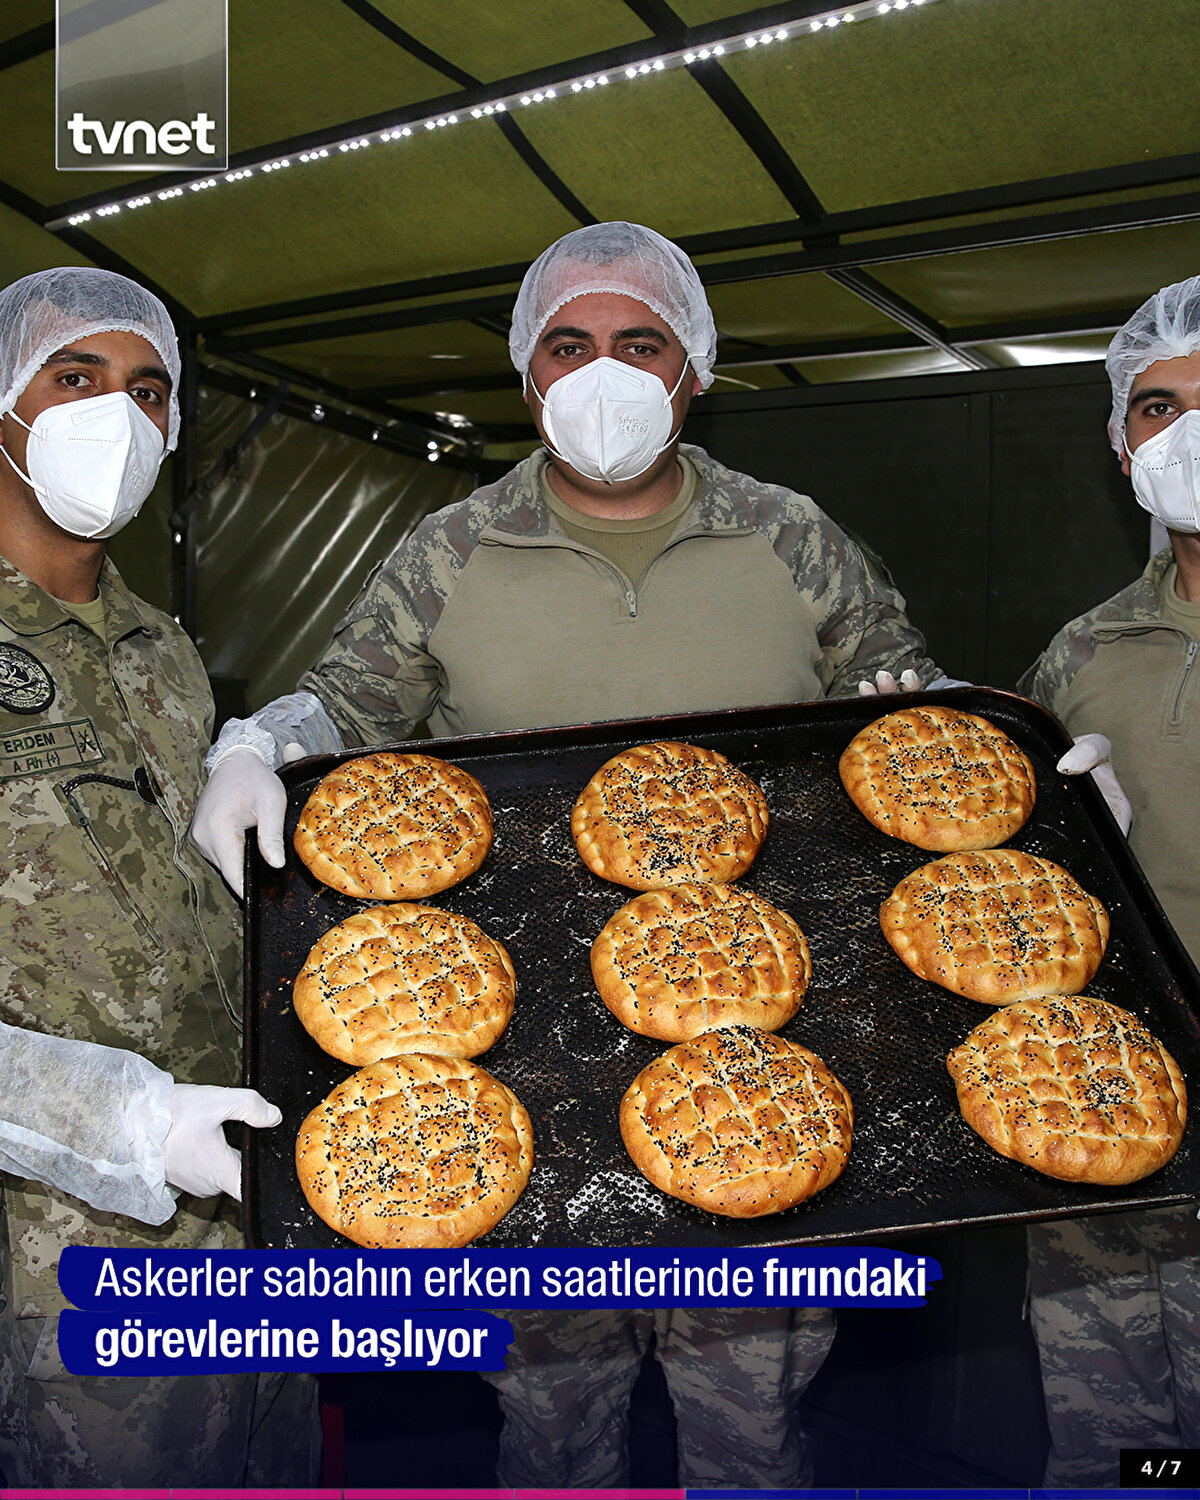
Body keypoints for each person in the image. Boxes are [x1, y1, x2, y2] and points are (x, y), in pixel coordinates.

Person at [191, 220, 948, 1488]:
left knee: (750, 1421)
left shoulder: (788, 533)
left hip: (756, 1033)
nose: (604, 375)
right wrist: (259, 744)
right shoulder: (452, 546)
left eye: (639, 344)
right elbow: (349, 703)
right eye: (570, 345)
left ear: (693, 370)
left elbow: (899, 691)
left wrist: (995, 735)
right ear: (529, 374)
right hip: (503, 1024)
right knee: (551, 1427)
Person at [0, 267, 317, 1488]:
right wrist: (124, 1123)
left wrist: (256, 739)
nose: (115, 418)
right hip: (60, 1256)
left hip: (243, 1207)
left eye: (148, 391)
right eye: (75, 377)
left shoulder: (161, 648)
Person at [1018, 273, 1200, 1485]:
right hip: (1113, 1099)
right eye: (1156, 407)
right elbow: (1010, 887)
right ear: (1122, 448)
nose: (1185, 433)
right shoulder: (1081, 653)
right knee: (1117, 1450)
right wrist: (1065, 840)